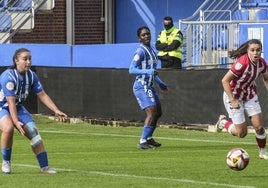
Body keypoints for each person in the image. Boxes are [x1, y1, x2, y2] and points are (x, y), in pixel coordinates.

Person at [0, 48, 68, 174]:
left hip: (18, 107)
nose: (28, 62)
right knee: (8, 128)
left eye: (30, 59)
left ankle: (45, 167)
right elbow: (10, 102)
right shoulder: (7, 77)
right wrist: (15, 121)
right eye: (25, 59)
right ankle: (6, 162)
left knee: (34, 133)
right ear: (16, 61)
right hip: (2, 107)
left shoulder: (31, 75)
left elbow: (42, 95)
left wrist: (56, 110)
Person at [215, 39, 268, 159]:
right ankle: (223, 122)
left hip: (249, 95)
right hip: (234, 95)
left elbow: (266, 78)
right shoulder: (241, 63)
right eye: (252, 50)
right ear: (248, 51)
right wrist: (232, 100)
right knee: (241, 133)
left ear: (261, 51)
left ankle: (262, 152)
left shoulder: (262, 63)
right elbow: (225, 80)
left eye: (258, 50)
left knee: (259, 127)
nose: (256, 53)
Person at [129, 26, 168, 149]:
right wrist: (148, 71)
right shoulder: (140, 51)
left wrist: (161, 83)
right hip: (141, 86)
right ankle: (142, 141)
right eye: (143, 35)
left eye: (148, 34)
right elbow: (132, 69)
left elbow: (153, 72)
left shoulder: (151, 51)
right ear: (139, 38)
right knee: (151, 112)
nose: (146, 36)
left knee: (158, 112)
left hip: (149, 86)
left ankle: (149, 137)